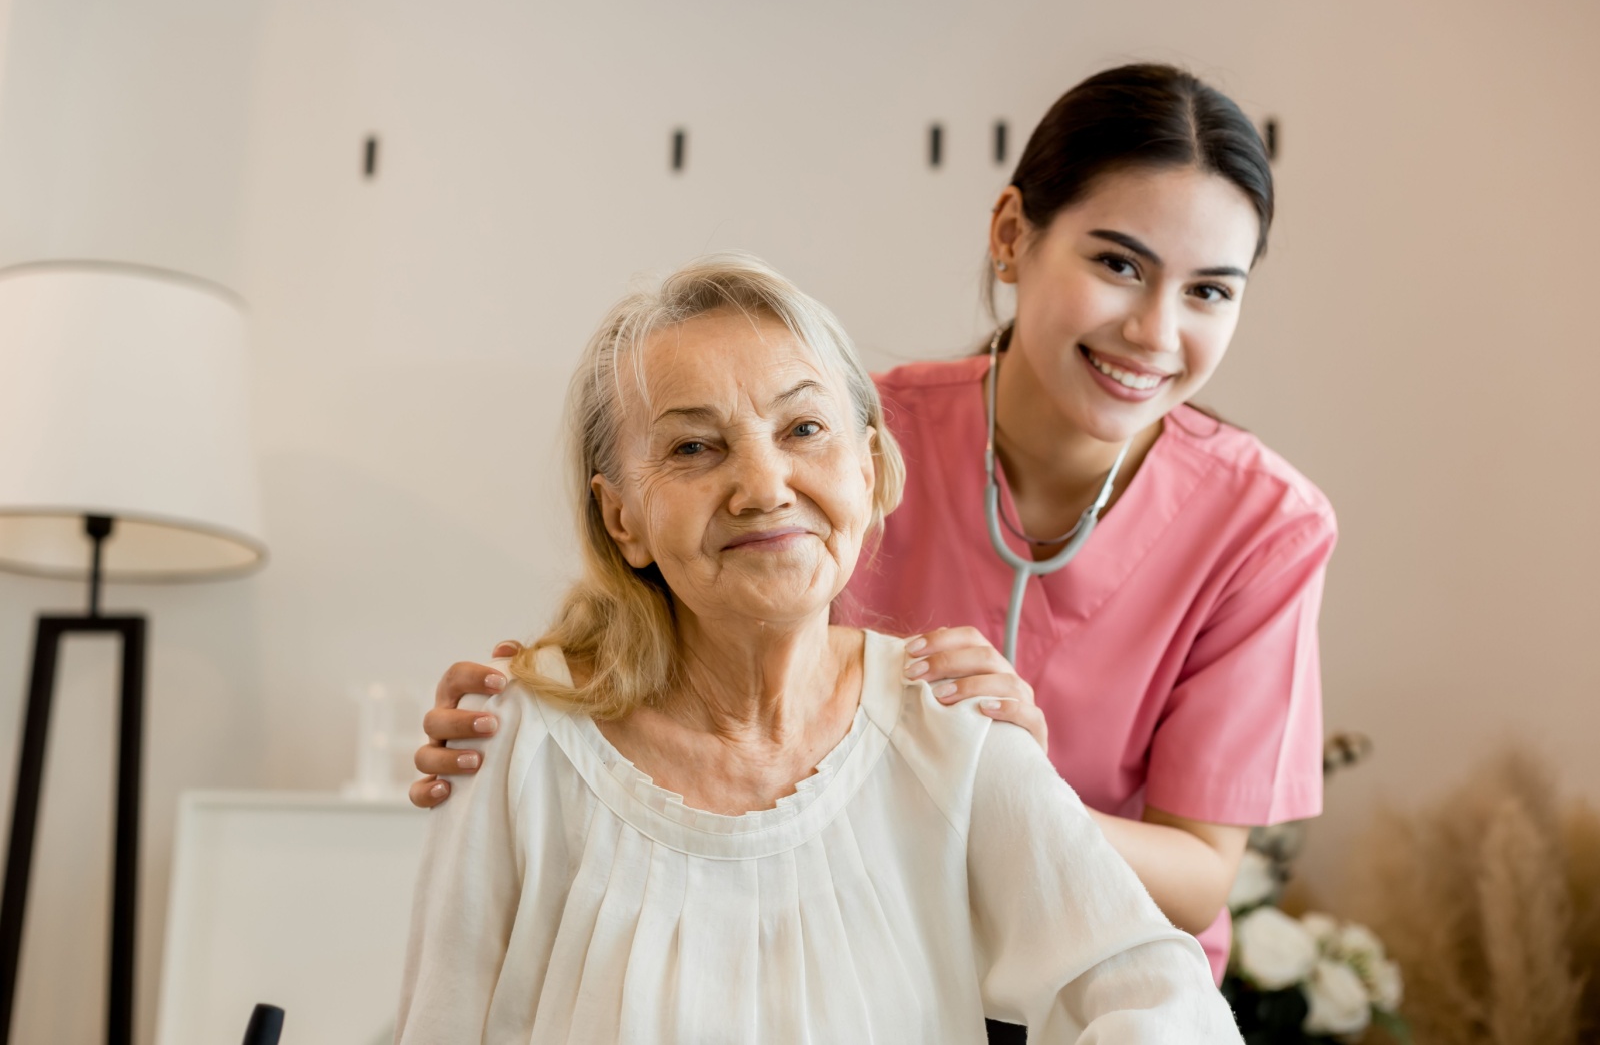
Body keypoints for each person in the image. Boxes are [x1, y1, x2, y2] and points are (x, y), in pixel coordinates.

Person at [412, 62, 1335, 993]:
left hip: (1085, 993)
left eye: (1209, 291)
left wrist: (989, 786)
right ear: (1012, 235)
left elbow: (1200, 875)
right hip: (847, 970)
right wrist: (533, 714)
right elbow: (675, 627)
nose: (1154, 330)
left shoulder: (1265, 526)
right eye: (1118, 264)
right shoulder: (823, 448)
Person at [393, 255, 1242, 1042]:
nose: (764, 487)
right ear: (623, 519)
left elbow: (1158, 992)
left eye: (803, 429)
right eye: (694, 447)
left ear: (867, 472)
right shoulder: (517, 740)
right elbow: (439, 1023)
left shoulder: (949, 723)